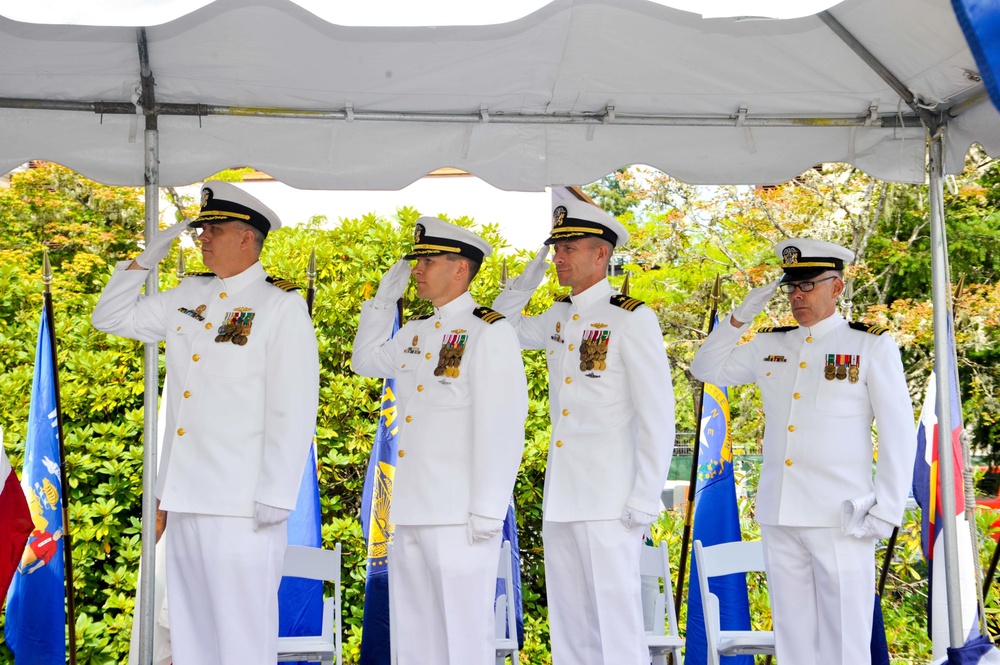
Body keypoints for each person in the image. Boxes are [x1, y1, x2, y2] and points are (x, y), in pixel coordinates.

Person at [91, 181, 319, 665]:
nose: (203, 238)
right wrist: (143, 261)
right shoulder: (187, 296)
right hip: (185, 498)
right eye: (202, 230)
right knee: (190, 638)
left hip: (243, 505)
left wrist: (276, 495)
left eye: (215, 229)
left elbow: (293, 406)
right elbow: (109, 317)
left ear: (247, 239)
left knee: (240, 639)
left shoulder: (280, 305)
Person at [690, 238, 917, 665]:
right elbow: (705, 368)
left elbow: (897, 431)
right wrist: (740, 318)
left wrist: (887, 509)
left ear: (838, 287)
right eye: (791, 286)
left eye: (808, 285)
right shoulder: (771, 345)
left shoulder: (870, 345)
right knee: (794, 642)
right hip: (781, 512)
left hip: (841, 516)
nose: (797, 295)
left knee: (846, 641)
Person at [492, 200, 676, 665]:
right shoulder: (558, 316)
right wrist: (529, 276)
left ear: (600, 254)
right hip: (564, 495)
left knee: (615, 624)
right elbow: (499, 326)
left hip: (611, 498)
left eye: (568, 248)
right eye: (555, 248)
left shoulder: (630, 318)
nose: (558, 257)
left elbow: (658, 414)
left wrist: (643, 495)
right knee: (571, 626)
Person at [351, 217, 528, 664]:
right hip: (411, 510)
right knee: (414, 641)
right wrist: (380, 303)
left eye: (428, 260)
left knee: (461, 640)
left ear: (460, 269)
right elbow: (365, 362)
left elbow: (503, 425)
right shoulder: (415, 332)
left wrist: (488, 510)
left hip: (460, 517)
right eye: (418, 260)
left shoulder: (489, 331)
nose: (418, 268)